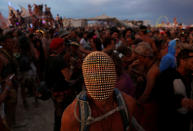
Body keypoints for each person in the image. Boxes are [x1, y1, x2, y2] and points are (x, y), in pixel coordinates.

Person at [61, 51, 143, 131]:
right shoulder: (73, 117)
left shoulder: (128, 104)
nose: (99, 79)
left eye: (104, 74)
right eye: (94, 75)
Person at [153, 49, 193, 131]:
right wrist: (181, 101)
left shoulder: (190, 76)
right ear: (182, 61)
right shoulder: (167, 76)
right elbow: (160, 96)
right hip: (170, 124)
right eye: (192, 62)